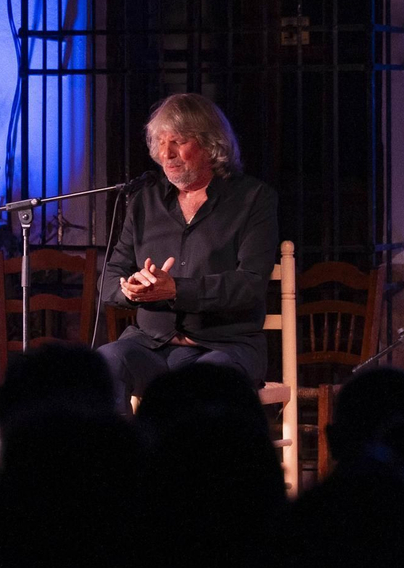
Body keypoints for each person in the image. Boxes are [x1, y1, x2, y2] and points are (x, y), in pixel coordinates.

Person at [98, 93, 279, 408]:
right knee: (105, 363)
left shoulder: (253, 199)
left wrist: (176, 290)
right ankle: (122, 442)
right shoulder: (144, 202)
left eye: (178, 142)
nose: (166, 153)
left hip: (224, 347)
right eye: (160, 142)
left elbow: (250, 283)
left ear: (210, 145)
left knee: (206, 383)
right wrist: (131, 289)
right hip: (151, 347)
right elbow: (110, 278)